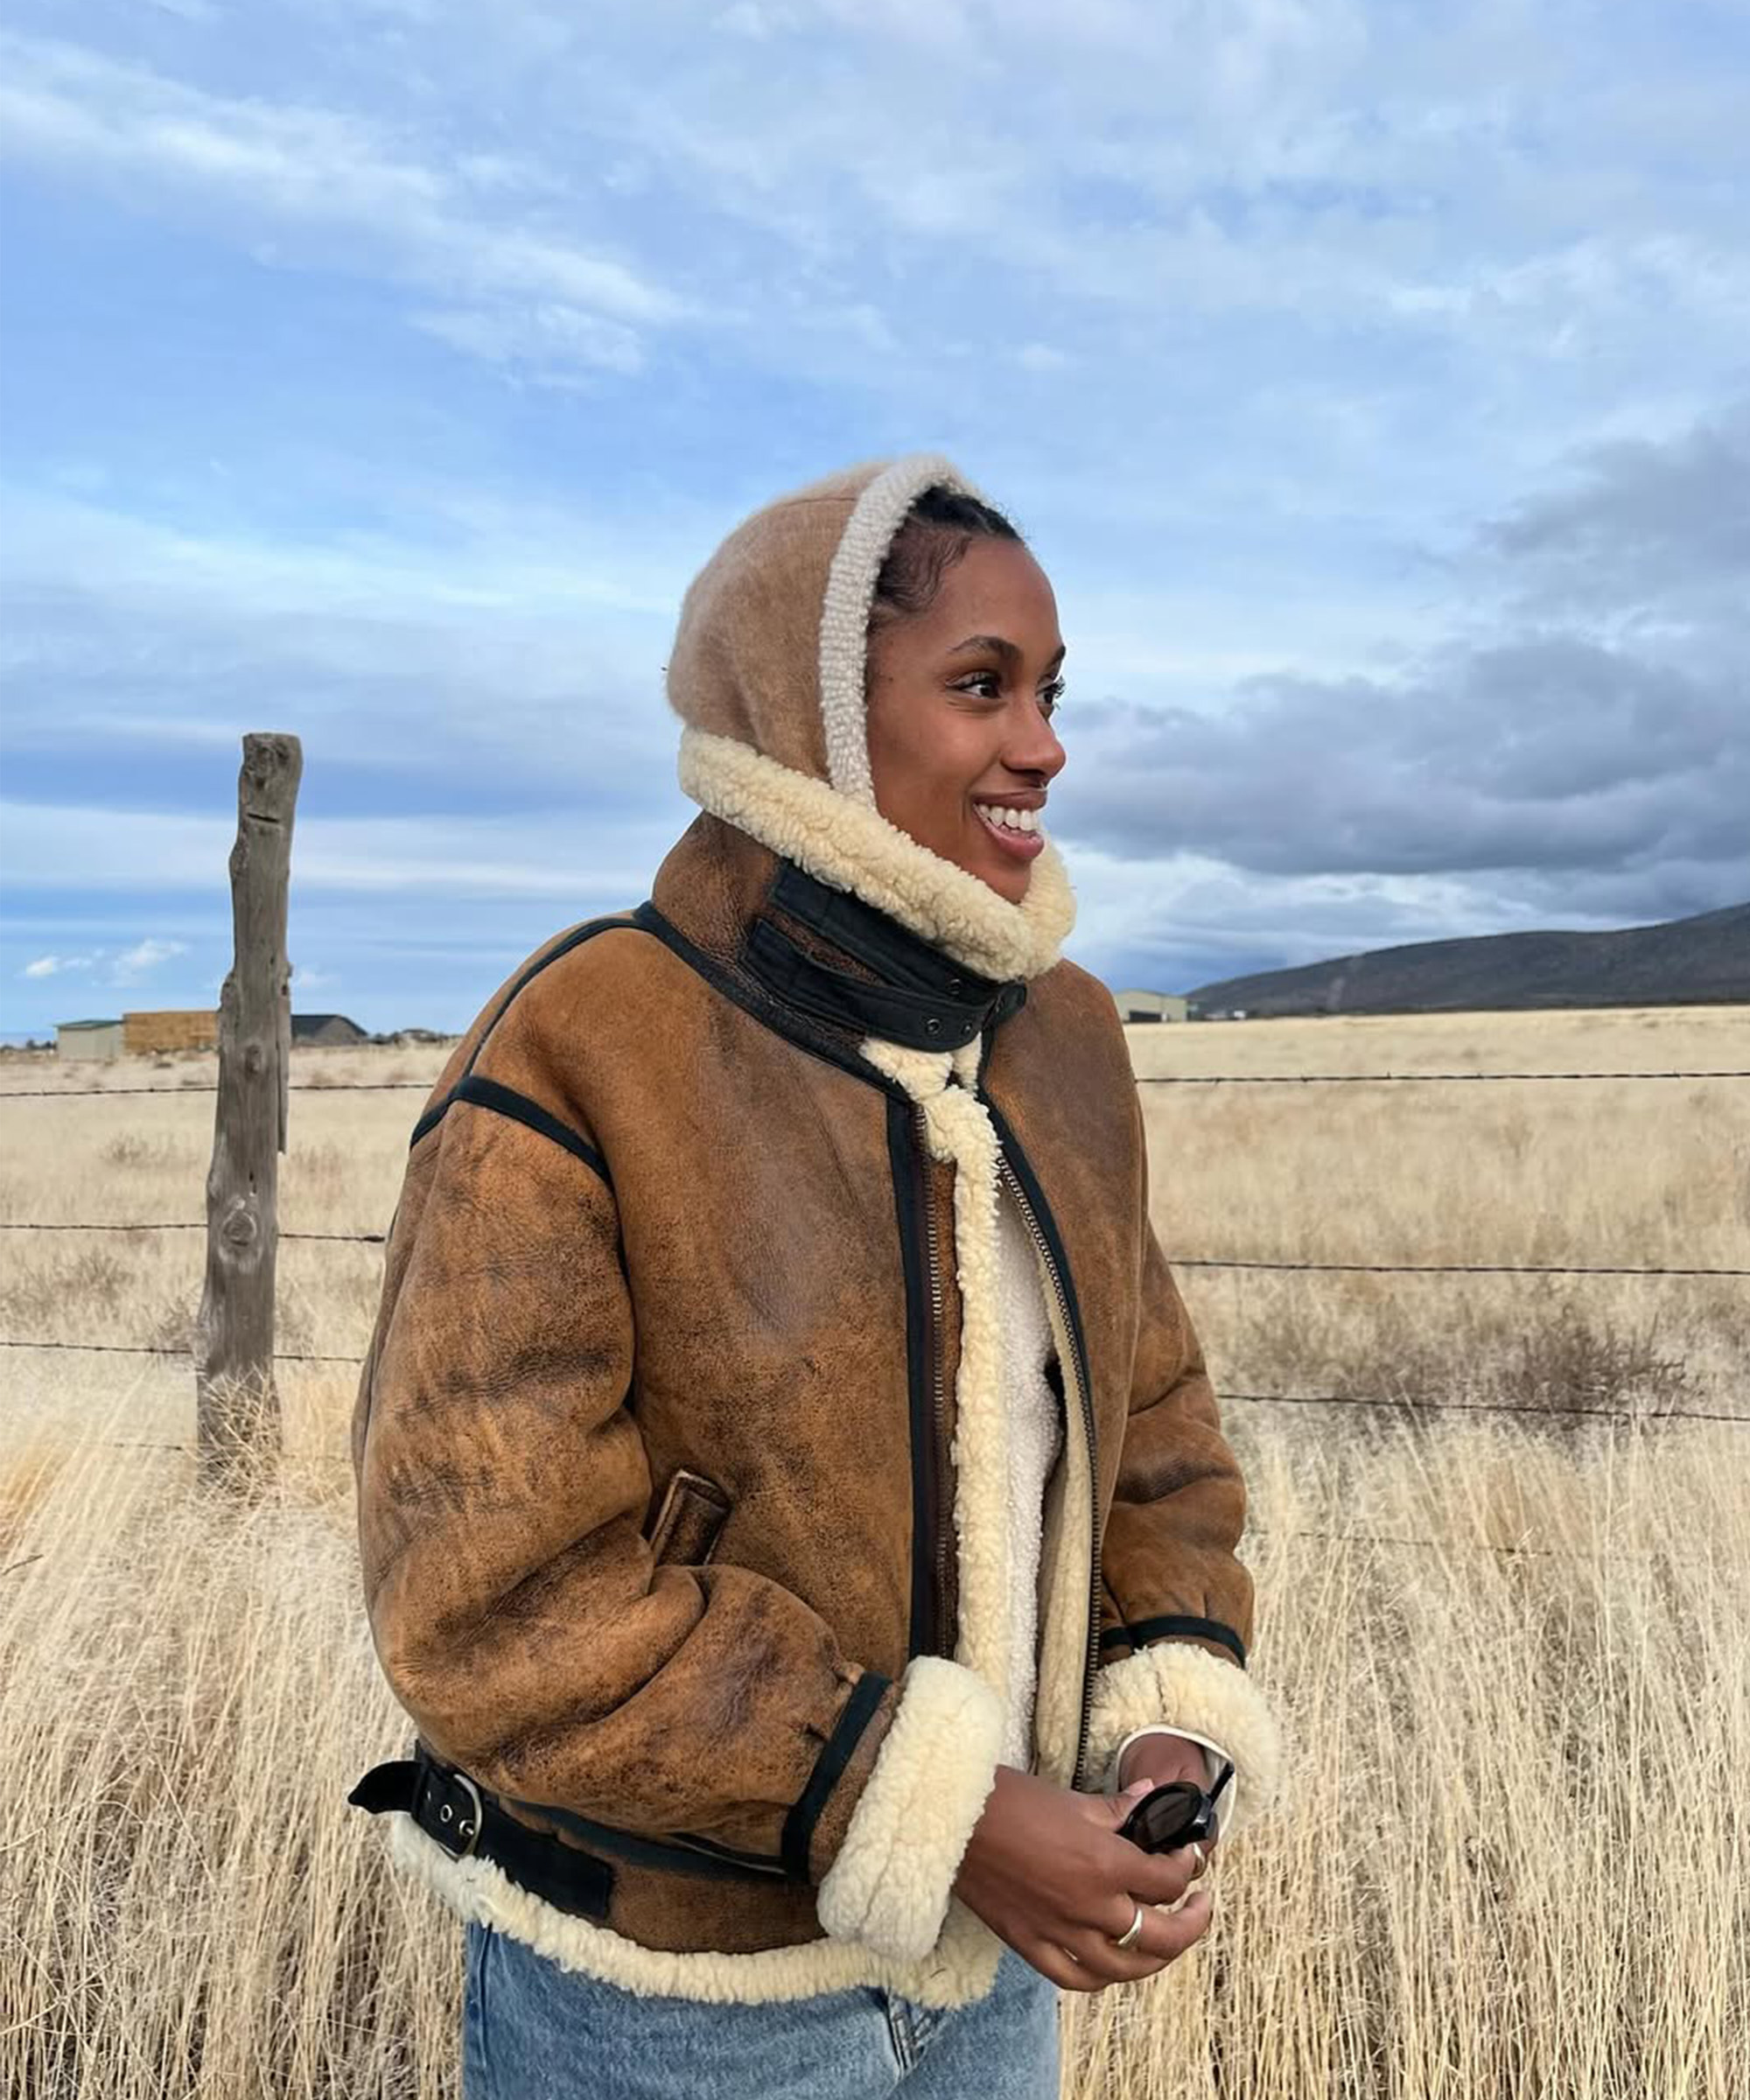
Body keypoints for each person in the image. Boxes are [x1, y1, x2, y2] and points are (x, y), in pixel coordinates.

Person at [347, 453, 1285, 2097]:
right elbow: (492, 1598)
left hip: (992, 1988)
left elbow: (1154, 1433)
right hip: (670, 2007)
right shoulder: (586, 1044)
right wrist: (939, 1811)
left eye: (1052, 692)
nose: (1044, 746)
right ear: (811, 718)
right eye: (980, 686)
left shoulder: (1061, 1040)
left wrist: (1160, 1731)